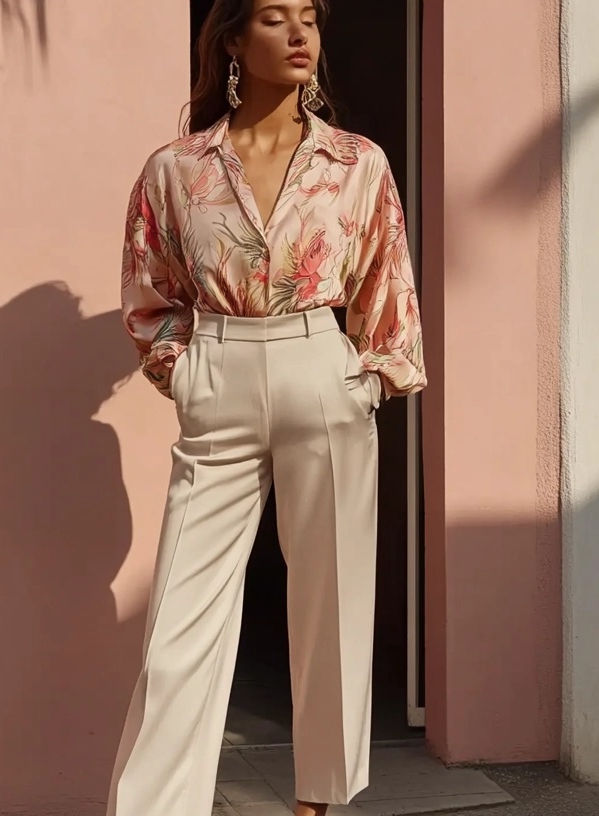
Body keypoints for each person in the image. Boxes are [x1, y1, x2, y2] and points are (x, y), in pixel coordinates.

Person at [109, 1, 426, 814]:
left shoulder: (357, 163)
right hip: (218, 370)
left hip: (322, 365)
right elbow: (149, 292)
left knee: (334, 601)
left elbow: (387, 280)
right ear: (232, 43)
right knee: (179, 620)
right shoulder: (176, 169)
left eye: (310, 20)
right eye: (277, 18)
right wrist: (184, 372)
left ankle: (320, 799)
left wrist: (372, 377)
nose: (299, 36)